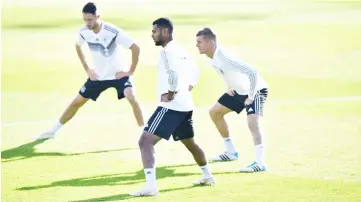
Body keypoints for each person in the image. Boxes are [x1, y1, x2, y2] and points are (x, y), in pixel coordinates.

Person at [130, 18, 215, 197]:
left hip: (172, 106)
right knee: (189, 143)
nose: (152, 35)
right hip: (185, 105)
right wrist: (186, 88)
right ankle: (207, 176)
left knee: (145, 141)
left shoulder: (167, 52)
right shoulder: (180, 50)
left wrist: (171, 93)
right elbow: (195, 71)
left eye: (155, 32)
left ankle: (151, 187)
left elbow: (173, 74)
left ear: (165, 32)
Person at [37, 2, 144, 140]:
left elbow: (136, 47)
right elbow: (78, 47)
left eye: (90, 20)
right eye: (85, 20)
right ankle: (52, 131)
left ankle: (144, 133)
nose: (87, 23)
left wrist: (129, 72)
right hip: (98, 77)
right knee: (76, 102)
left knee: (131, 96)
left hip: (118, 76)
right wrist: (88, 69)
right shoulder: (84, 32)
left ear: (98, 16)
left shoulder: (112, 31)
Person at [195, 27, 269, 172]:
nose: (197, 45)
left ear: (210, 43)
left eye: (199, 42)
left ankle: (260, 163)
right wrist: (229, 86)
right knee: (215, 112)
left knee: (253, 122)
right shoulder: (213, 58)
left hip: (255, 90)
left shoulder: (223, 57)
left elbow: (252, 72)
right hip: (238, 91)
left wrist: (251, 96)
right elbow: (226, 74)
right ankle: (230, 152)